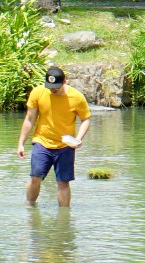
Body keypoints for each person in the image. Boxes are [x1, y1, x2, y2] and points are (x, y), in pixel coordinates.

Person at [16, 65, 90, 207]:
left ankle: (64, 218)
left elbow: (86, 119)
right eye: (50, 86)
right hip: (41, 142)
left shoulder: (77, 97)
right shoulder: (38, 93)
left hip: (65, 145)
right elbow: (29, 119)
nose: (53, 89)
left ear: (64, 82)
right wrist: (21, 143)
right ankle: (30, 208)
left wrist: (79, 138)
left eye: (56, 86)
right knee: (35, 177)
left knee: (63, 182)